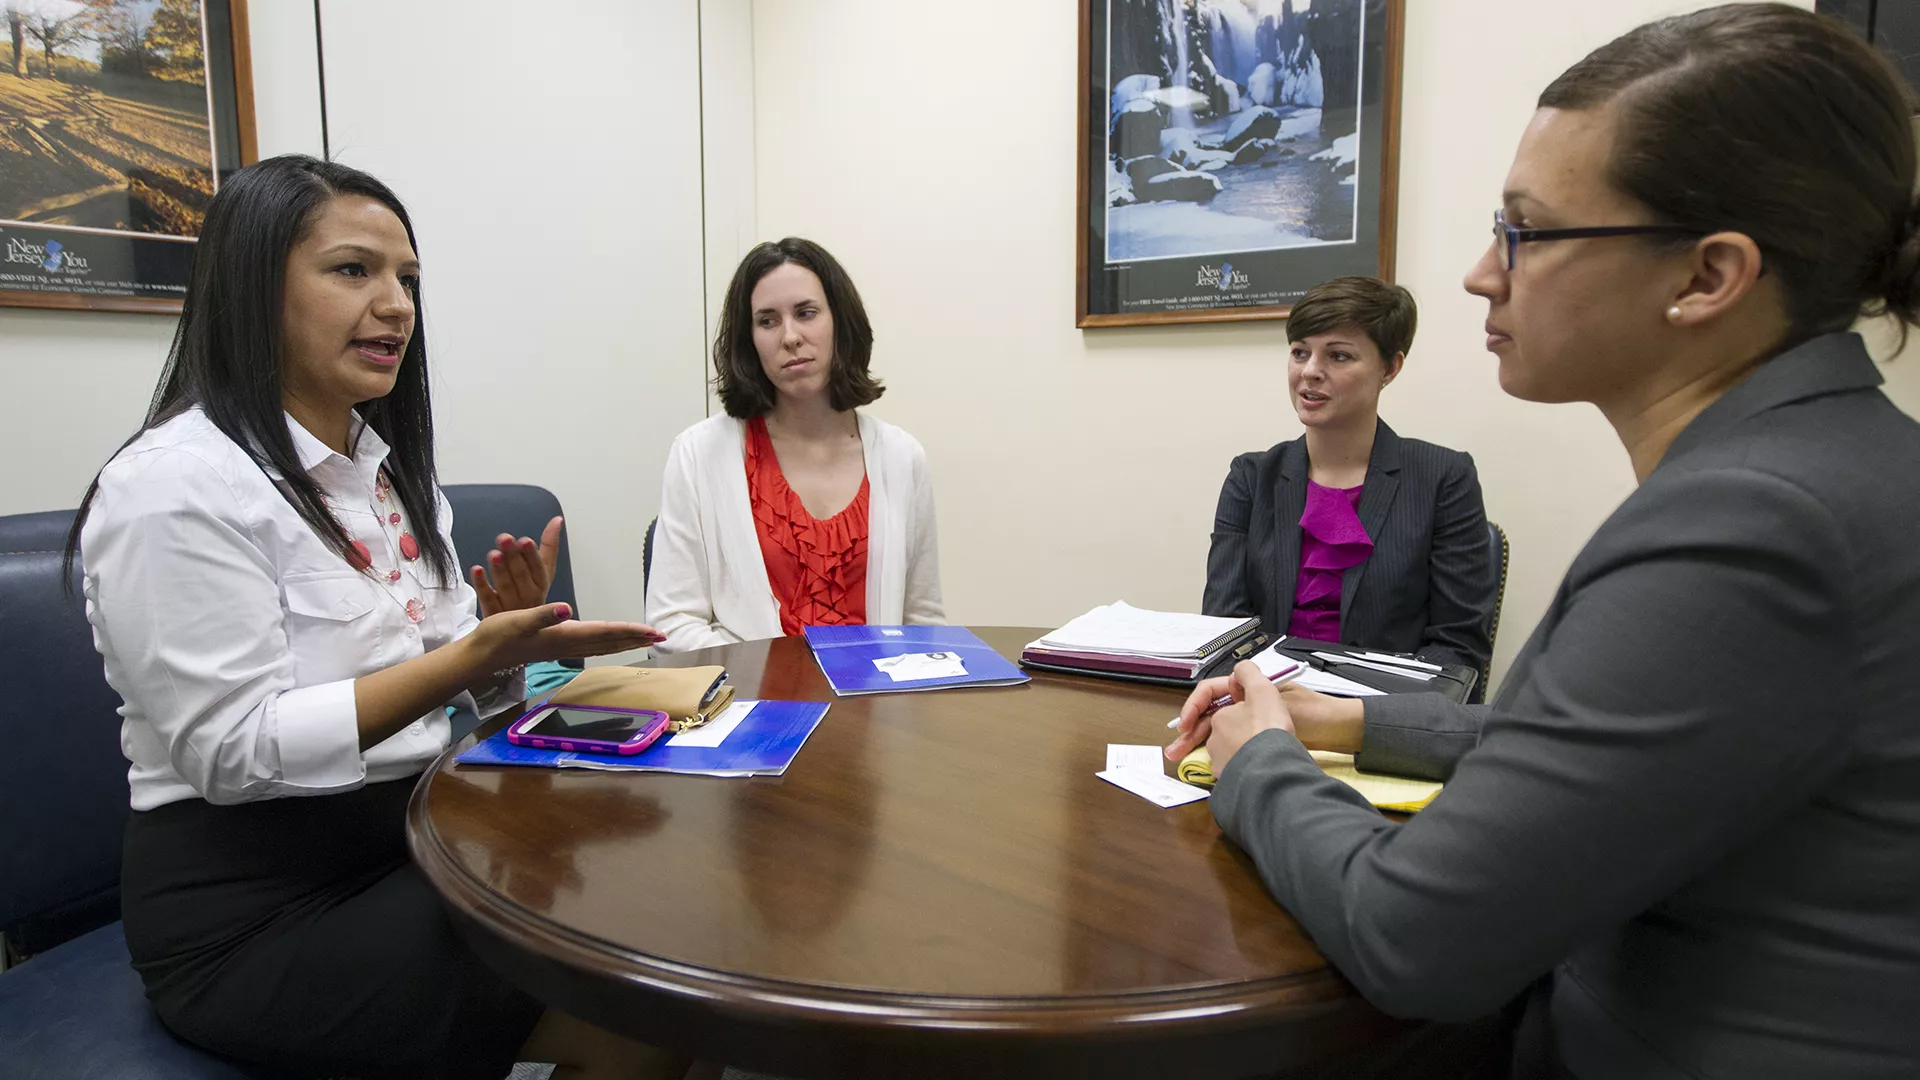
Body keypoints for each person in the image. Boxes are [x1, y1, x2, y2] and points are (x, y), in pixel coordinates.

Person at [1168, 6, 1920, 1078]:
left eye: (1523, 232)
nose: (1482, 273)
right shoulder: (1818, 466)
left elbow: (1414, 940)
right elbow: (1602, 756)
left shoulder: (1760, 528)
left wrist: (1264, 765)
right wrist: (1344, 723)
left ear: (1708, 277)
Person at [70, 155, 685, 1080]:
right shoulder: (172, 485)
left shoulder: (395, 477)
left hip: (413, 840)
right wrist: (467, 656)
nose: (397, 305)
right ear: (251, 285)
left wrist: (504, 655)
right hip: (255, 909)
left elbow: (447, 700)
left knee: (657, 927)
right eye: (354, 270)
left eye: (409, 280)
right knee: (640, 996)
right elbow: (231, 753)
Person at [647, 238, 943, 652]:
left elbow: (922, 622)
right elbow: (673, 623)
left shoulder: (902, 456)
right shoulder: (698, 453)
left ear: (840, 321)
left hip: (877, 706)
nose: (790, 337)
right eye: (767, 321)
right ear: (749, 340)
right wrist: (773, 682)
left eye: (806, 313)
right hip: (752, 705)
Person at [1202, 277, 1497, 676]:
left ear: (1390, 367)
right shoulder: (1252, 478)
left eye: (1338, 356)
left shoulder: (1444, 478)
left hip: (1379, 718)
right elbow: (1226, 631)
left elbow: (1457, 648)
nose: (1310, 371)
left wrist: (1354, 714)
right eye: (1300, 352)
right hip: (1263, 706)